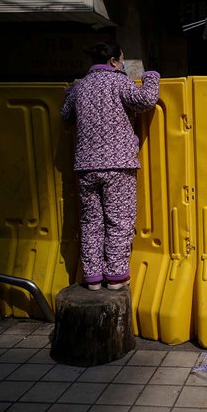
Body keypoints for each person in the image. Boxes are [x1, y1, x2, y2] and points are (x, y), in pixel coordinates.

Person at [60, 41, 160, 291]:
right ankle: (115, 277)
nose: (124, 63)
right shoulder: (119, 81)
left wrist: (70, 93)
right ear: (114, 61)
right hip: (117, 165)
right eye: (122, 59)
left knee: (90, 221)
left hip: (85, 165)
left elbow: (66, 116)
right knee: (119, 220)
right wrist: (150, 76)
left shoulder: (80, 87)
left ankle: (92, 277)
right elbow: (146, 100)